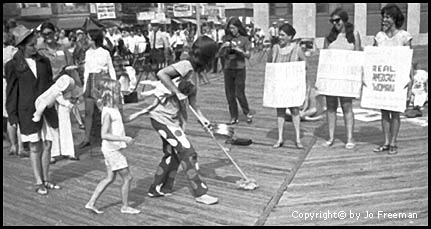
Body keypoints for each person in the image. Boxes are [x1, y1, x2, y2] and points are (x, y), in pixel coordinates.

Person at [130, 36, 219, 205]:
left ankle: (159, 188)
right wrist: (175, 91)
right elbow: (161, 73)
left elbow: (193, 103)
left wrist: (204, 120)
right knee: (187, 151)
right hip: (161, 118)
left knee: (172, 155)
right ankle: (200, 193)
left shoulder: (195, 74)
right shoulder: (185, 66)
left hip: (173, 119)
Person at [6, 25, 60, 195]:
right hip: (28, 110)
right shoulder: (13, 65)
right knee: (35, 146)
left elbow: (50, 83)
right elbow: (12, 92)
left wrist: (56, 98)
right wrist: (12, 116)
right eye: (31, 45)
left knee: (48, 144)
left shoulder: (43, 61)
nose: (35, 47)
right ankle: (38, 181)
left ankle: (46, 179)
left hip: (47, 109)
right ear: (22, 46)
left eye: (35, 44)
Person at [85, 79, 140, 215]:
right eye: (117, 92)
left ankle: (91, 203)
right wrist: (123, 138)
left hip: (110, 149)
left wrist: (143, 112)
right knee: (127, 178)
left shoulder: (114, 109)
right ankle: (125, 206)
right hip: (112, 150)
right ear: (110, 94)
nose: (120, 94)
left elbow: (124, 119)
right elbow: (104, 134)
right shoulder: (108, 112)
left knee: (109, 178)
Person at [372, 4, 413, 155]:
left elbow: (408, 59)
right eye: (383, 16)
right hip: (384, 79)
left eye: (388, 16)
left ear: (395, 19)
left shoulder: (404, 36)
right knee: (384, 111)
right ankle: (386, 142)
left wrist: (410, 80)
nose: (384, 19)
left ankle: (394, 142)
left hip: (398, 79)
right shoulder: (379, 37)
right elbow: (373, 58)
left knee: (395, 112)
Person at [37, 22, 78, 162]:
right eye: (45, 34)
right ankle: (54, 152)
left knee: (65, 117)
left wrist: (75, 90)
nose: (48, 36)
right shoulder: (40, 51)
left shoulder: (64, 49)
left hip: (64, 86)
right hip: (49, 88)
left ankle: (68, 150)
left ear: (55, 33)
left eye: (50, 33)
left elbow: (71, 67)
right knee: (50, 121)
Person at [321, 8, 362, 150]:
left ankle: (350, 137)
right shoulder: (329, 36)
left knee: (347, 107)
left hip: (346, 77)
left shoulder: (354, 34)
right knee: (331, 107)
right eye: (332, 21)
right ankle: (331, 137)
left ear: (344, 20)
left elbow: (358, 55)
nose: (335, 23)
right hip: (332, 77)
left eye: (337, 20)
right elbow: (324, 58)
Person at [267, 23, 307, 149]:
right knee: (280, 111)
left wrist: (300, 76)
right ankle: (280, 138)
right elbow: (270, 64)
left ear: (290, 37)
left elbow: (305, 63)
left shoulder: (297, 49)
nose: (280, 37)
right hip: (279, 84)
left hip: (292, 84)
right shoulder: (275, 48)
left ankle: (297, 138)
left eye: (283, 35)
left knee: (295, 110)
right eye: (279, 34)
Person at [78, 29, 117, 149]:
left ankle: (110, 135)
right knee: (89, 112)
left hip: (103, 80)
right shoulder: (88, 53)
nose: (88, 40)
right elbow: (86, 71)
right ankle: (87, 138)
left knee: (105, 110)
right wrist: (85, 88)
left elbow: (111, 68)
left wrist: (114, 84)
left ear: (94, 40)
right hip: (91, 80)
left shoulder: (105, 52)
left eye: (89, 38)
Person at [218, 17, 253, 125]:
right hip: (228, 69)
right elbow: (219, 54)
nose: (232, 30)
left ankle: (247, 112)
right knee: (229, 94)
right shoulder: (226, 38)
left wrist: (239, 50)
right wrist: (224, 46)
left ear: (238, 28)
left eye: (233, 28)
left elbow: (248, 55)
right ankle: (234, 116)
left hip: (239, 69)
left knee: (239, 93)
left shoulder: (244, 39)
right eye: (230, 28)